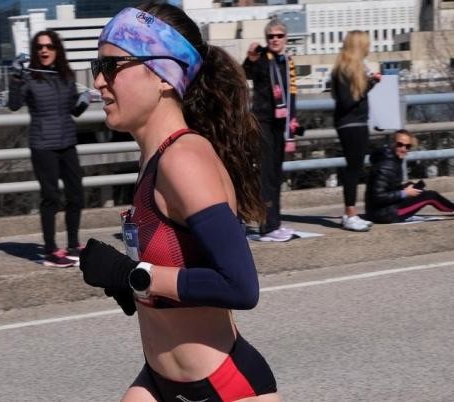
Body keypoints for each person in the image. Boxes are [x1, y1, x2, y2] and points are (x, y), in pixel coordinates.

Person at [79, 3, 280, 401]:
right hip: (158, 381)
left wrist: (133, 276)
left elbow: (240, 285)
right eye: (97, 66)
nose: (99, 81)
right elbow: (179, 267)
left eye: (112, 66)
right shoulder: (152, 158)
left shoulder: (183, 159)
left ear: (163, 75)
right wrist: (131, 286)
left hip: (221, 388)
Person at [7, 30, 90, 268]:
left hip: (67, 142)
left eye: (50, 46)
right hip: (43, 145)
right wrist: (15, 77)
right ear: (35, 52)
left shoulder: (66, 76)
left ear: (57, 50)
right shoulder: (29, 77)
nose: (44, 50)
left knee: (76, 194)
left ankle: (73, 245)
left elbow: (73, 110)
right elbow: (13, 105)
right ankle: (51, 251)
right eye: (40, 47)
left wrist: (82, 103)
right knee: (51, 197)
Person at [243, 18, 300, 242]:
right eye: (271, 36)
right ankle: (266, 226)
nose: (275, 39)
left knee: (276, 175)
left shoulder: (287, 62)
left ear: (286, 38)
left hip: (280, 125)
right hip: (263, 122)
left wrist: (293, 124)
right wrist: (250, 59)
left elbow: (291, 95)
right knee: (265, 175)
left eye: (279, 36)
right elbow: (246, 72)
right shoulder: (261, 58)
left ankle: (274, 222)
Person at [365, 129, 454, 223]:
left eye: (407, 146)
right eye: (400, 144)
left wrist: (405, 189)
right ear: (393, 144)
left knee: (414, 187)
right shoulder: (387, 165)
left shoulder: (391, 159)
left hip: (381, 210)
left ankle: (452, 205)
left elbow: (386, 189)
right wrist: (403, 193)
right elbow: (377, 196)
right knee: (430, 196)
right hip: (384, 214)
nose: (403, 149)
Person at [331, 30, 380, 232]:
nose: (369, 48)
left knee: (356, 168)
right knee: (353, 169)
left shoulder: (356, 68)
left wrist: (370, 82)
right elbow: (346, 101)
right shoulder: (343, 69)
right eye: (366, 44)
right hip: (350, 124)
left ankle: (350, 213)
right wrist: (369, 84)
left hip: (358, 123)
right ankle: (350, 213)